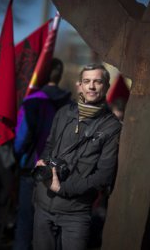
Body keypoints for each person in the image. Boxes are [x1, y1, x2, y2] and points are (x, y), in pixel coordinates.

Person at [32, 64, 122, 250]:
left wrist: (63, 188)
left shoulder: (111, 127)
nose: (91, 87)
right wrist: (42, 161)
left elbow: (104, 176)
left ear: (106, 86)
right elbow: (49, 145)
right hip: (43, 203)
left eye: (97, 82)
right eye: (87, 81)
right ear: (79, 85)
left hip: (75, 212)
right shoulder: (63, 113)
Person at [13, 58, 71, 250]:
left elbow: (22, 137)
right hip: (58, 172)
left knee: (26, 221)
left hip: (32, 169)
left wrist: (16, 155)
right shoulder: (70, 105)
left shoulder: (33, 101)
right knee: (49, 225)